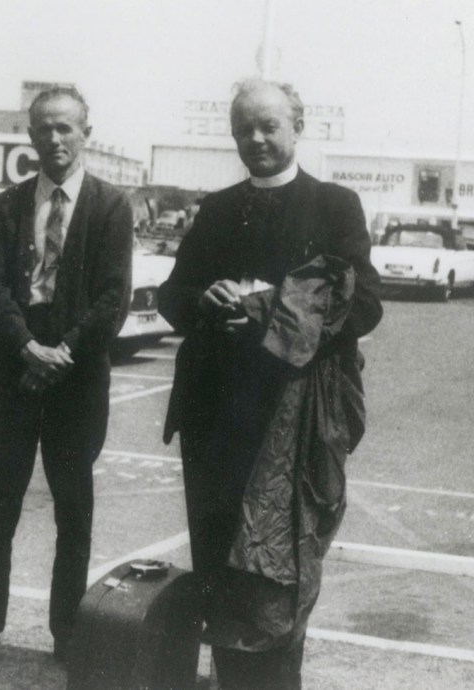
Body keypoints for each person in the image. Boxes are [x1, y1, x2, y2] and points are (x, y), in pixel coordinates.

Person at [159, 79, 383, 689]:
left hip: (292, 419)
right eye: (242, 130)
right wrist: (205, 299)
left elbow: (363, 304)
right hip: (214, 419)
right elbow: (172, 295)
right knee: (218, 569)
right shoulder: (218, 208)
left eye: (268, 126)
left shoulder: (335, 206)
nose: (255, 139)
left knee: (280, 574)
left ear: (298, 125)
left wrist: (270, 305)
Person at [0, 87, 134, 672]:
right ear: (29, 136)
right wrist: (28, 347)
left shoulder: (110, 206)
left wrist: (61, 354)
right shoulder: (7, 206)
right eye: (43, 130)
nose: (54, 140)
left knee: (72, 510)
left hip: (76, 382)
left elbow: (112, 299)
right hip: (11, 372)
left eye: (65, 129)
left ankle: (65, 631)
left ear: (86, 131)